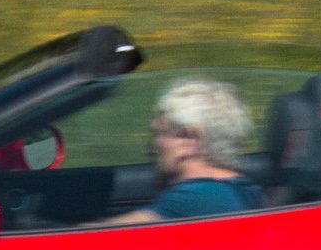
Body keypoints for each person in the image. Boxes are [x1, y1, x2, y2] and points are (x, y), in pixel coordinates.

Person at [106, 76, 260, 225]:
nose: (148, 149)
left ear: (190, 139)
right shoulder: (244, 190)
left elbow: (93, 239)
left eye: (159, 134)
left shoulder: (196, 198)